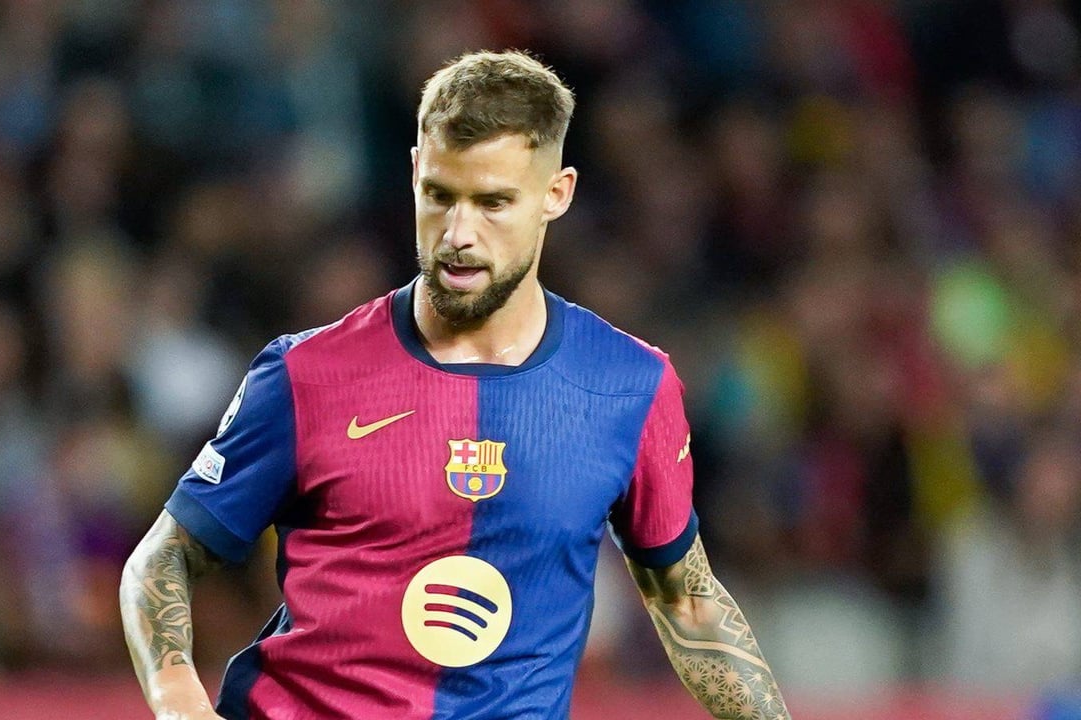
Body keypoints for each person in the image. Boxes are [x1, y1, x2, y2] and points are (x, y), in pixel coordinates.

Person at [120, 50, 791, 720]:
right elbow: (164, 557)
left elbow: (689, 603)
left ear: (556, 194)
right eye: (440, 195)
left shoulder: (630, 388)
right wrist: (180, 703)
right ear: (415, 171)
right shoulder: (305, 374)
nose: (459, 234)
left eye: (494, 202)